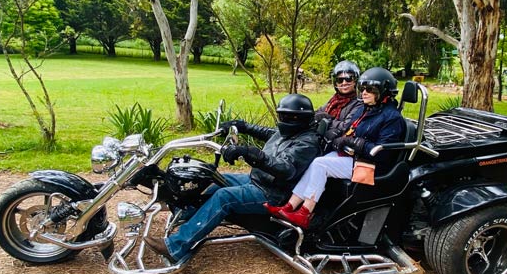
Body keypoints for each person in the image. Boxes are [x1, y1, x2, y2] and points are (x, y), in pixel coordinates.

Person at [143, 94, 322, 262]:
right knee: (215, 179)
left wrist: (250, 153)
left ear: (299, 118)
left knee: (224, 197)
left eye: (286, 116)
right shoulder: (290, 132)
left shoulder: (307, 142)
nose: (282, 120)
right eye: (281, 115)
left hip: (273, 194)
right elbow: (267, 132)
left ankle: (176, 247)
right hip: (259, 181)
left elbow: (286, 169)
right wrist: (242, 126)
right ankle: (191, 217)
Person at [264, 67, 406, 229]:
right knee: (317, 160)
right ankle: (289, 206)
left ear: (384, 92)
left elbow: (384, 154)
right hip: (356, 158)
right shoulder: (365, 109)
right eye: (363, 88)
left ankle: (304, 213)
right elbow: (349, 129)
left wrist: (356, 143)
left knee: (321, 165)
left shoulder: (392, 118)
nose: (364, 92)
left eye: (370, 89)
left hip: (372, 167)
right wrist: (337, 138)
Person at [315, 60, 363, 153]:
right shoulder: (335, 100)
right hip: (324, 140)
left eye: (349, 78)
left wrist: (328, 119)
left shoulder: (359, 102)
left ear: (355, 80)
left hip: (341, 146)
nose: (344, 83)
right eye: (340, 80)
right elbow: (318, 112)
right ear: (335, 83)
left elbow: (346, 126)